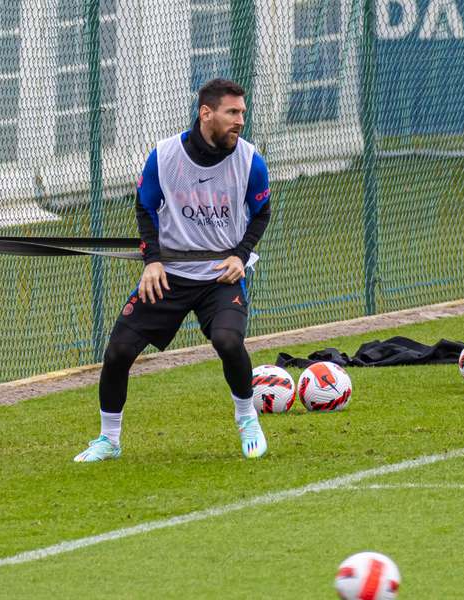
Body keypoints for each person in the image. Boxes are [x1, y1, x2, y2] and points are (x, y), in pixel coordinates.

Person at [74, 78, 272, 462]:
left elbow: (261, 212)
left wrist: (241, 254)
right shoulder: (164, 156)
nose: (240, 120)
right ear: (206, 113)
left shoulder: (250, 161)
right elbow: (145, 209)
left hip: (220, 276)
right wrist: (152, 262)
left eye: (242, 112)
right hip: (170, 274)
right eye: (232, 112)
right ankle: (109, 440)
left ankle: (248, 420)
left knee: (229, 342)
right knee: (118, 352)